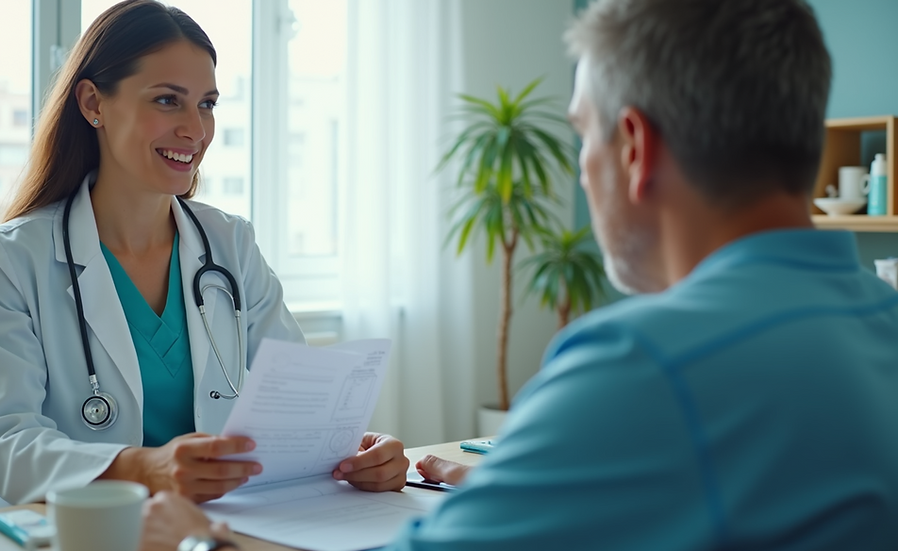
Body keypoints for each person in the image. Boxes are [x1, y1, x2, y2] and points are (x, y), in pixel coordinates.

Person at [134, 0, 898, 548]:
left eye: (581, 136)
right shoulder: (879, 319)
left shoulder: (643, 364)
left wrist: (206, 543)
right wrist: (538, 483)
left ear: (633, 148)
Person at [0, 0, 407, 510]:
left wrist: (355, 454)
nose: (196, 129)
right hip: (67, 530)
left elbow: (297, 414)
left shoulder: (231, 245)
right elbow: (1, 439)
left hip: (212, 526)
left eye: (207, 103)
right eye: (168, 100)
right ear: (92, 104)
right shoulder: (10, 258)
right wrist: (144, 469)